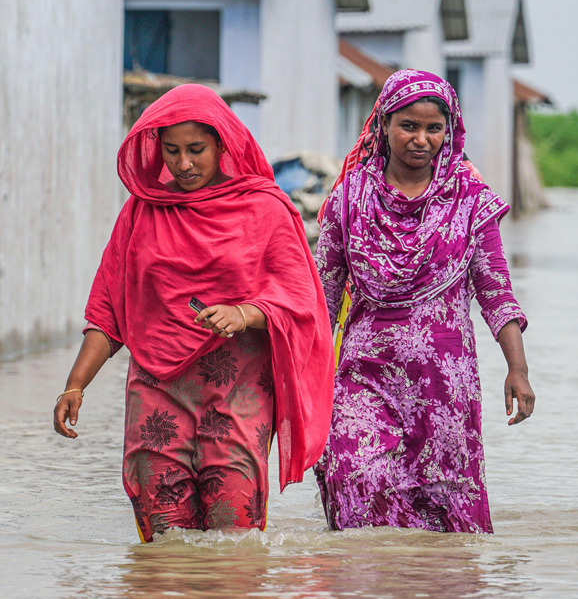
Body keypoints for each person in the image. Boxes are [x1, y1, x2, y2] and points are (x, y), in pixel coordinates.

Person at [54, 85, 333, 542]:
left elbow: (300, 299)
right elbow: (108, 310)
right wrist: (75, 384)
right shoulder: (142, 212)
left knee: (234, 535)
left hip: (236, 391)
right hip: (157, 391)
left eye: (196, 150)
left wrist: (246, 313)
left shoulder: (265, 210)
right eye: (172, 151)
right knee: (165, 539)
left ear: (222, 144)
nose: (183, 164)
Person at [314, 70, 534, 533]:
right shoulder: (348, 199)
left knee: (440, 504)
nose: (421, 139)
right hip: (362, 373)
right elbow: (322, 297)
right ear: (383, 125)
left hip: (444, 385)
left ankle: (425, 594)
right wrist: (297, 381)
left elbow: (496, 293)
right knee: (354, 472)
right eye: (408, 126)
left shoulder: (472, 203)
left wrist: (518, 369)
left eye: (434, 128)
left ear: (449, 131)